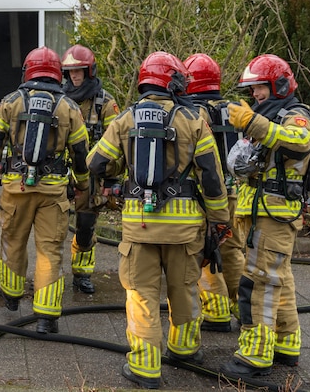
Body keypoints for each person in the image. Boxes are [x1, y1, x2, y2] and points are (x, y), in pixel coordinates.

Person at [87, 51, 231, 390]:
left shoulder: (125, 119)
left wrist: (121, 168)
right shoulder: (194, 120)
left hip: (139, 229)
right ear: (175, 83)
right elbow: (212, 176)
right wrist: (219, 220)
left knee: (142, 295)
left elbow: (96, 163)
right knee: (184, 289)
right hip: (185, 231)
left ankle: (145, 366)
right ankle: (185, 349)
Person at [0, 46, 90, 334]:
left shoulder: (10, 103)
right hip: (53, 192)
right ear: (57, 74)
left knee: (13, 241)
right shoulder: (69, 107)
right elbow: (80, 151)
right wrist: (82, 184)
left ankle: (11, 295)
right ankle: (47, 316)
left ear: (27, 72)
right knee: (50, 250)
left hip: (16, 189)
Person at [221, 54, 310, 377]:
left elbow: (300, 143)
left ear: (280, 85)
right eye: (253, 89)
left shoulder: (295, 115)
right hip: (262, 211)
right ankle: (286, 345)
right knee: (278, 280)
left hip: (274, 214)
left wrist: (252, 123)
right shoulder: (270, 116)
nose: (255, 94)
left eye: (260, 87)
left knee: (259, 283)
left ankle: (255, 355)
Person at [184, 53, 245, 333]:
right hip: (235, 193)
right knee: (232, 251)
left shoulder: (193, 113)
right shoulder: (234, 109)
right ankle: (243, 308)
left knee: (204, 249)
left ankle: (216, 312)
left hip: (208, 196)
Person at [60, 44, 120, 294]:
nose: (74, 76)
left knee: (85, 225)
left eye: (79, 71)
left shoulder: (104, 102)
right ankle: (49, 273)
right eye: (71, 72)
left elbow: (116, 142)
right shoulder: (60, 100)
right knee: (51, 224)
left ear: (89, 71)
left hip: (90, 177)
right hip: (61, 173)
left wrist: (111, 179)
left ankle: (82, 274)